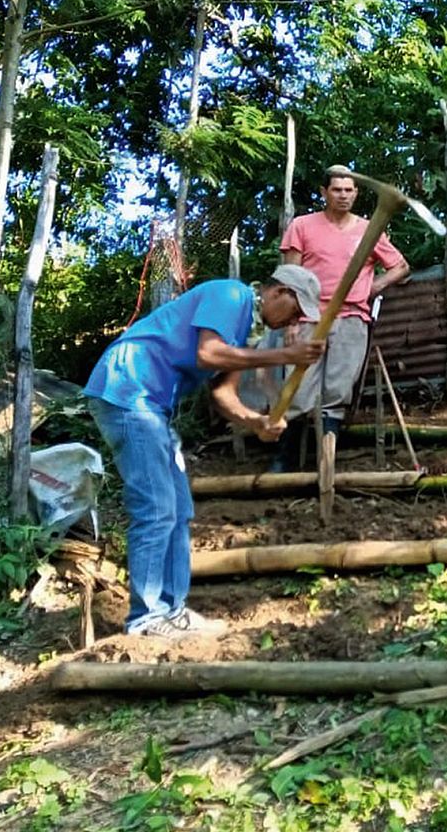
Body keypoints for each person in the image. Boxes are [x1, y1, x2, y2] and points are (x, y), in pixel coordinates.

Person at [85, 267, 327, 637]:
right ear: (279, 291)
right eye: (296, 310)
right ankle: (147, 618)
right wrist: (284, 355)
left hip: (150, 406)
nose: (295, 320)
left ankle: (171, 609)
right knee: (155, 507)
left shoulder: (245, 328)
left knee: (179, 508)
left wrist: (256, 422)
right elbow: (209, 354)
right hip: (128, 390)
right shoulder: (229, 294)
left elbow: (222, 394)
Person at [271, 167, 410, 471]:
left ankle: (326, 464)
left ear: (356, 193)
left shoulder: (368, 229)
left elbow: (400, 266)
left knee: (337, 391)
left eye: (349, 190)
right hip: (309, 317)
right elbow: (290, 279)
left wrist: (372, 288)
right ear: (324, 192)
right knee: (299, 388)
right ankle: (285, 461)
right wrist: (291, 322)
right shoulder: (302, 226)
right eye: (337, 190)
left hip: (351, 318)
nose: (343, 195)